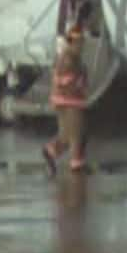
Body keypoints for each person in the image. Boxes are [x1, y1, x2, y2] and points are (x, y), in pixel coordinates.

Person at [42, 25, 89, 176]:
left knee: (67, 134)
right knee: (77, 132)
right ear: (73, 43)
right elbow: (64, 80)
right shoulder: (68, 59)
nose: (82, 46)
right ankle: (77, 164)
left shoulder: (71, 57)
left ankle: (51, 151)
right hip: (69, 102)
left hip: (66, 101)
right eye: (80, 42)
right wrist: (79, 81)